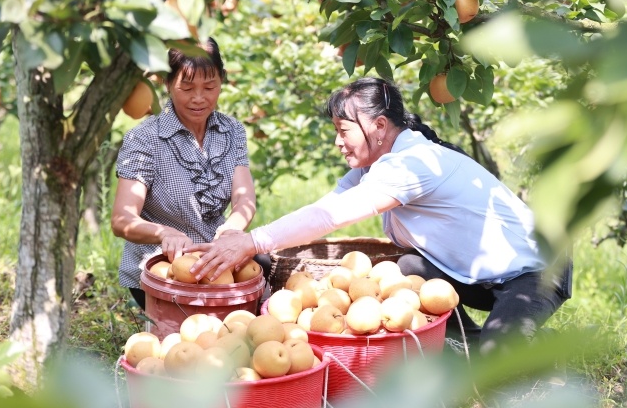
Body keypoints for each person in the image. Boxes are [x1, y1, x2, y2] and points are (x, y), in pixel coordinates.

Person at [192, 76, 571, 356]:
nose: (338, 142)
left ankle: (531, 348)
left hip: (537, 270)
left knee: (496, 362)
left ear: (378, 126)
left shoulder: (414, 164)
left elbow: (333, 217)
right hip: (484, 276)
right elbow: (325, 205)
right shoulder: (375, 166)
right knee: (408, 266)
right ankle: (468, 341)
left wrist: (255, 240)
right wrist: (249, 239)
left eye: (343, 131)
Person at [110, 37, 270, 310]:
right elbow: (122, 219)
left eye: (209, 87)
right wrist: (164, 233)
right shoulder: (145, 139)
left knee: (266, 267)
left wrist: (232, 230)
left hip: (217, 259)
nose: (199, 98)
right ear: (168, 83)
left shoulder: (231, 131)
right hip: (164, 267)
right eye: (187, 87)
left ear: (222, 80)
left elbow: (244, 199)